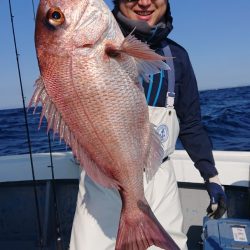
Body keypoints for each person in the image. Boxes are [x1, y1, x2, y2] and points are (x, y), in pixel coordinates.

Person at [70, 0, 227, 249]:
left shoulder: (178, 57)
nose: (144, 2)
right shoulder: (86, 51)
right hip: (103, 182)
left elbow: (191, 125)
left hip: (160, 178)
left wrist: (211, 176)